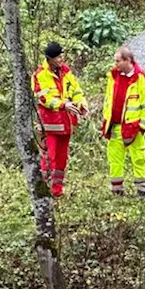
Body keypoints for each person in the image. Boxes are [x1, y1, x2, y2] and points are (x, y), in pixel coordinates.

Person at [31, 42, 86, 197]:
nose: (62, 59)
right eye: (59, 56)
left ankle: (57, 190)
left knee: (61, 160)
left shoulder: (66, 72)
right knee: (49, 158)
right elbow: (44, 98)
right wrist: (63, 105)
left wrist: (81, 104)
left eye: (63, 56)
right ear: (50, 58)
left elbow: (76, 90)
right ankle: (43, 190)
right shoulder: (39, 75)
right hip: (49, 125)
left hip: (66, 124)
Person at [101, 47, 145, 197]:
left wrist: (142, 127)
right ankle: (117, 191)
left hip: (134, 128)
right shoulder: (113, 77)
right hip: (115, 127)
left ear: (128, 61)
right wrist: (106, 121)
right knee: (114, 160)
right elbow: (108, 101)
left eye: (118, 61)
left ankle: (142, 192)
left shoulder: (142, 80)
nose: (115, 64)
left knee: (138, 159)